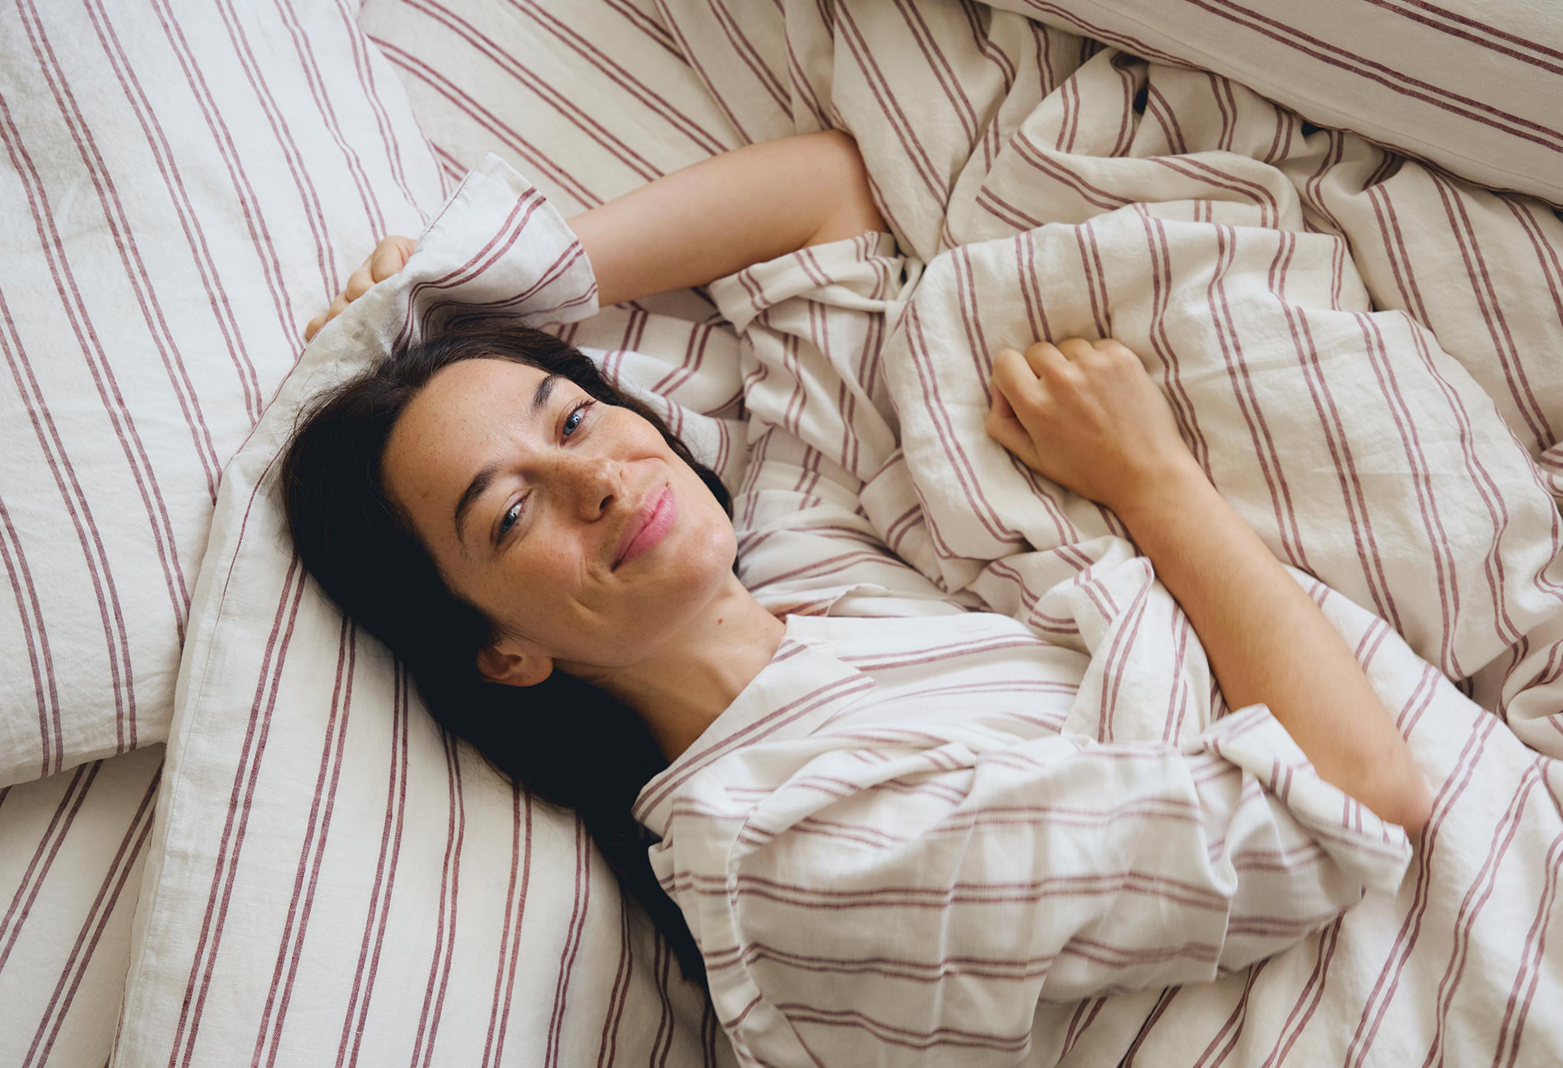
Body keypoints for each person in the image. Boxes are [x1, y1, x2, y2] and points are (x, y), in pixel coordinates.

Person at [284, 131, 1434, 1061]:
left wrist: (484, 278)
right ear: (502, 652)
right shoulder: (794, 858)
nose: (593, 478)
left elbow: (823, 199)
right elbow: (1356, 799)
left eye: (575, 416)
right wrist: (1150, 478)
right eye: (510, 514)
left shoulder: (807, 559)